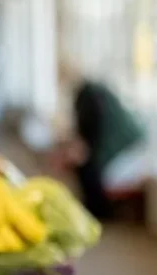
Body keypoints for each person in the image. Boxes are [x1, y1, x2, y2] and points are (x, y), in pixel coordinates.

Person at [55, 59, 146, 220]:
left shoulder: (88, 96)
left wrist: (72, 153)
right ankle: (94, 210)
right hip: (123, 145)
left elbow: (90, 135)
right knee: (83, 161)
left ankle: (97, 212)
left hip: (124, 149)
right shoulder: (91, 92)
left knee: (87, 166)